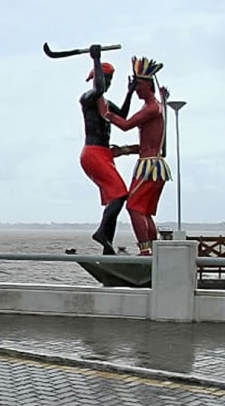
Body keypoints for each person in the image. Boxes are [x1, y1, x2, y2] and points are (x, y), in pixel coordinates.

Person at [97, 56, 169, 256]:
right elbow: (150, 143)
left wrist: (107, 114)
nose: (136, 89)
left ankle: (146, 252)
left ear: (147, 84)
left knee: (134, 207)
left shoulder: (152, 107)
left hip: (149, 166)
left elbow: (126, 125)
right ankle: (153, 251)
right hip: (154, 164)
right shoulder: (155, 107)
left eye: (137, 86)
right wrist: (124, 151)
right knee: (143, 210)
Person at [79, 45, 136, 255]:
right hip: (93, 153)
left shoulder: (106, 103)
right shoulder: (88, 98)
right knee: (121, 194)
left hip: (104, 154)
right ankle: (102, 233)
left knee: (115, 197)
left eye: (111, 80)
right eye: (105, 79)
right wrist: (96, 59)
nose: (108, 84)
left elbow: (123, 115)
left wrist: (129, 92)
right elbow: (99, 89)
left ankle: (107, 246)